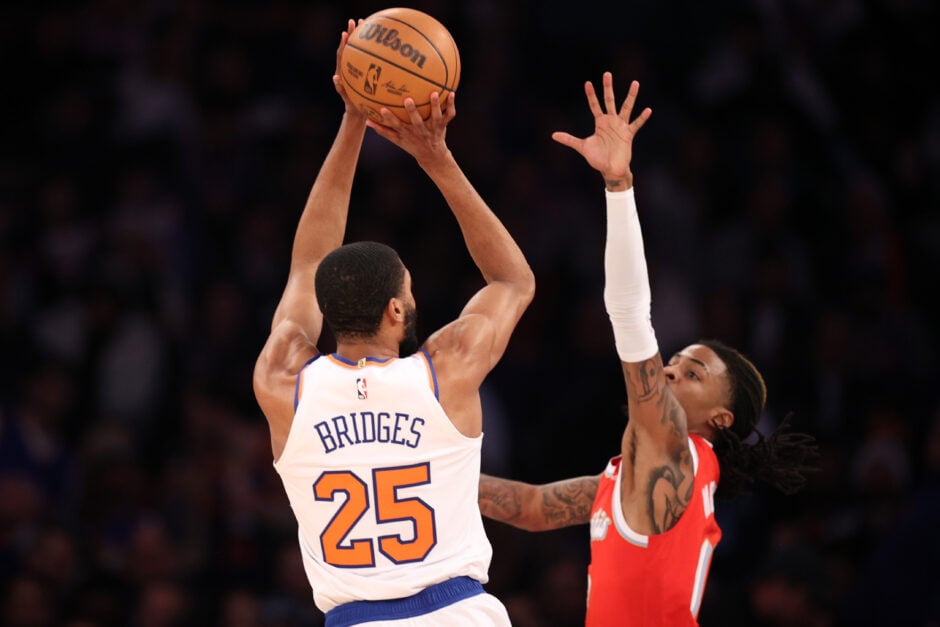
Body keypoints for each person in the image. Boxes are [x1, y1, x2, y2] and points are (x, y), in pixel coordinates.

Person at [478, 73, 818, 627]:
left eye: (693, 371)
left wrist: (619, 187)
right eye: (676, 360)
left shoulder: (675, 452)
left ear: (720, 417)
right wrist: (424, 469)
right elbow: (535, 508)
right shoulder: (635, 471)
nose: (670, 368)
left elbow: (630, 315)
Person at [253, 20, 535, 627]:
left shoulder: (283, 381)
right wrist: (436, 157)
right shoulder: (445, 373)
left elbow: (307, 264)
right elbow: (512, 281)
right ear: (397, 310)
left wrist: (354, 116)